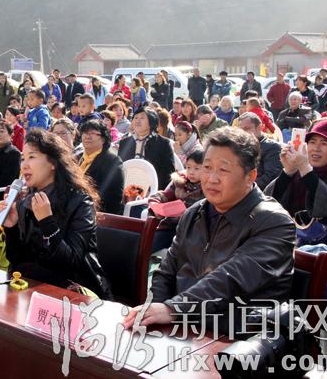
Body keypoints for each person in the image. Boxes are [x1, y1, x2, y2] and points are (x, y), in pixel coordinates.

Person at [125, 127, 295, 333]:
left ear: (251, 176)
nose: (212, 178)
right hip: (183, 328)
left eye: (223, 170)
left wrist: (173, 309)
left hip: (238, 335)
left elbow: (232, 278)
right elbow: (167, 270)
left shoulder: (274, 222)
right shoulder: (195, 212)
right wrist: (156, 312)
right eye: (207, 167)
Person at [0, 129, 112, 298]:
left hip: (75, 292)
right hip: (34, 290)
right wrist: (11, 228)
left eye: (32, 157)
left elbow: (71, 263)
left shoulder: (80, 202)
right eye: (23, 158)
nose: (24, 165)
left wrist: (47, 222)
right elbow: (17, 260)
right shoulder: (26, 200)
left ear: (53, 163)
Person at [265, 120, 327, 249]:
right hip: (285, 242)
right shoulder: (298, 170)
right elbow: (268, 202)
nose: (316, 148)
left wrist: (305, 169)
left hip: (326, 249)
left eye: (324, 143)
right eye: (312, 142)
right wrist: (288, 172)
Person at [147, 150, 205, 252]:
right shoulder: (180, 183)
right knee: (146, 245)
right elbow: (164, 195)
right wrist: (155, 202)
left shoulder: (207, 189)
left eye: (196, 168)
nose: (191, 172)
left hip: (192, 232)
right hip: (170, 227)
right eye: (188, 167)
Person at [118, 107, 175, 189]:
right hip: (127, 188)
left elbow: (168, 173)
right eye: (135, 118)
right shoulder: (124, 143)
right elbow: (120, 169)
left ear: (152, 122)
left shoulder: (163, 144)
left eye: (142, 118)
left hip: (154, 189)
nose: (137, 121)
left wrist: (153, 190)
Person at [78, 120, 124, 214]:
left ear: (103, 139)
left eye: (92, 133)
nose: (87, 136)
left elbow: (112, 197)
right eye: (85, 133)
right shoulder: (77, 157)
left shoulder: (112, 161)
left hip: (96, 211)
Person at [238, 112, 282, 190]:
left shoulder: (272, 148)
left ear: (259, 128)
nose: (243, 133)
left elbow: (270, 177)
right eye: (240, 130)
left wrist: (244, 187)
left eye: (246, 129)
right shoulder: (239, 146)